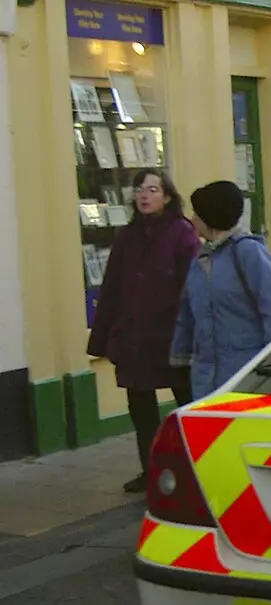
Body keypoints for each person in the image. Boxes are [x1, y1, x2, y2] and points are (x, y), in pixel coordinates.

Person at [86, 168, 201, 492]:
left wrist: (189, 332)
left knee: (185, 404)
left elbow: (190, 287)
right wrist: (105, 335)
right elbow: (112, 288)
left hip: (171, 337)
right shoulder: (127, 236)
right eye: (140, 189)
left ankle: (192, 469)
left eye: (152, 189)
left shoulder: (181, 233)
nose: (144, 195)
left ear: (166, 196)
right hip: (135, 338)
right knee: (141, 408)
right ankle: (149, 470)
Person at [171, 181, 271, 400]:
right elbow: (187, 313)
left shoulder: (248, 253)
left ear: (210, 216)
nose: (192, 220)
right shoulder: (202, 259)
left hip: (246, 376)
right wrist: (179, 358)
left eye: (197, 213)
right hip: (205, 378)